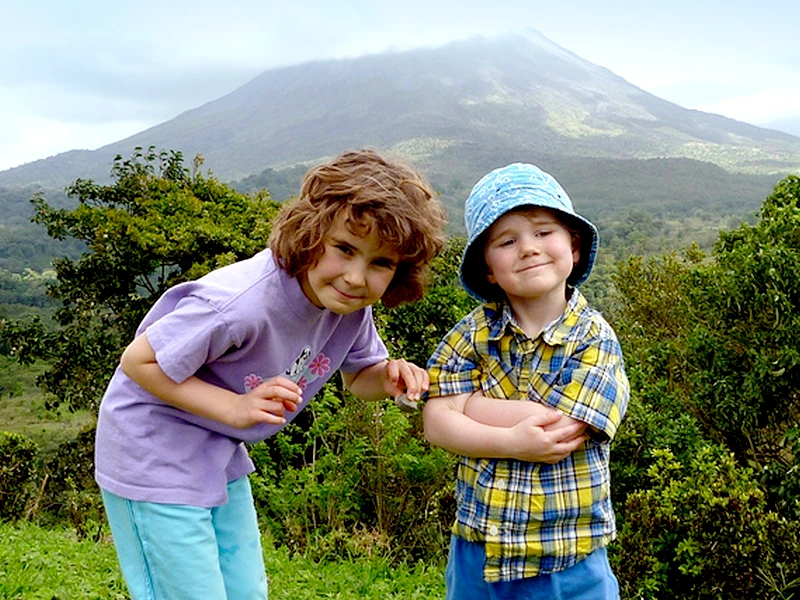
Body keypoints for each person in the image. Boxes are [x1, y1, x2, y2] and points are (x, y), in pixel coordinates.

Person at [94, 148, 446, 600]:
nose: (357, 277)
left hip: (216, 449)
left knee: (246, 590)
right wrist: (235, 407)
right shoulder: (240, 303)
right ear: (312, 232)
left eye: (381, 263)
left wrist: (390, 376)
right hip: (152, 450)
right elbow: (138, 361)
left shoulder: (349, 309)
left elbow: (359, 377)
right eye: (344, 249)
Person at [423, 162, 629, 599]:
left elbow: (561, 429)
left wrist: (470, 405)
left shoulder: (595, 337)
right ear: (488, 270)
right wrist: (511, 440)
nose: (529, 249)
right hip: (480, 549)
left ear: (573, 248)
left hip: (568, 557)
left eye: (543, 232)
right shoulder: (471, 334)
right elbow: (435, 423)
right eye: (507, 240)